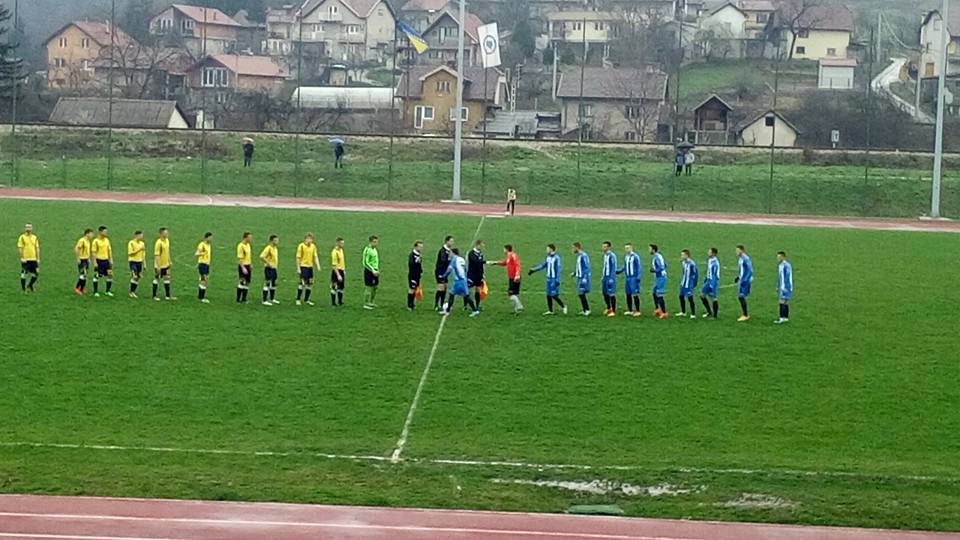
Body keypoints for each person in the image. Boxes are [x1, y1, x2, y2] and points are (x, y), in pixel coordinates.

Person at [440, 248, 480, 317]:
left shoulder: (454, 259)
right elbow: (465, 269)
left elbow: (449, 269)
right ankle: (447, 311)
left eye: (450, 253)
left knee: (464, 296)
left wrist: (443, 276)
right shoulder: (462, 259)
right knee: (452, 295)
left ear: (453, 253)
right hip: (462, 280)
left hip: (459, 281)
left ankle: (475, 310)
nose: (449, 254)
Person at [529, 244, 566, 315]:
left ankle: (563, 306)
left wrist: (557, 280)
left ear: (551, 249)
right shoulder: (548, 257)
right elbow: (543, 265)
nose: (546, 250)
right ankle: (550, 311)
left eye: (547, 249)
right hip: (548, 279)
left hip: (553, 279)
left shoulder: (557, 258)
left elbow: (558, 269)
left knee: (554, 295)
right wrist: (533, 270)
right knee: (548, 294)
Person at [488, 244, 524, 314]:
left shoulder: (513, 255)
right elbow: (504, 263)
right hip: (512, 277)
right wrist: (495, 263)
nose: (503, 250)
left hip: (514, 278)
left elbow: (517, 265)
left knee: (510, 293)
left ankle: (519, 306)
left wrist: (517, 275)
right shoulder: (509, 256)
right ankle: (516, 310)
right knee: (515, 293)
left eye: (504, 249)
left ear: (506, 249)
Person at [296, 234, 321, 306]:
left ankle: (306, 299)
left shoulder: (313, 246)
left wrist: (318, 265)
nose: (310, 240)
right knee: (302, 283)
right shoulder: (301, 246)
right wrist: (298, 268)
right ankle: (298, 299)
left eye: (311, 239)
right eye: (309, 239)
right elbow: (298, 258)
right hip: (303, 267)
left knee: (310, 283)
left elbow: (315, 256)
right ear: (305, 239)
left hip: (310, 267)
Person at [618, 243, 642, 317]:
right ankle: (630, 310)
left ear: (631, 248)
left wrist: (638, 276)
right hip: (627, 277)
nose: (627, 249)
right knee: (628, 294)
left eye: (628, 248)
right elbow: (625, 266)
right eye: (626, 248)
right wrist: (619, 270)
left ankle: (638, 310)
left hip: (633, 278)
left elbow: (639, 267)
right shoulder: (626, 257)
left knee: (635, 294)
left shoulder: (635, 256)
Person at [152, 227, 175, 301]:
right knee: (157, 279)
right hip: (159, 265)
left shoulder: (167, 240)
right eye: (165, 233)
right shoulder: (158, 243)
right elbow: (157, 255)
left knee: (167, 278)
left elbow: (167, 252)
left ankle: (168, 296)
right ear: (161, 234)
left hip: (166, 264)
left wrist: (169, 261)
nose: (167, 234)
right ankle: (154, 296)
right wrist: (158, 266)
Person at [91, 226, 114, 298]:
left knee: (110, 275)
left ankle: (107, 291)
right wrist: (95, 262)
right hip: (99, 261)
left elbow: (109, 250)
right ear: (100, 232)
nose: (106, 233)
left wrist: (111, 259)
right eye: (105, 232)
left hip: (106, 261)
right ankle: (95, 292)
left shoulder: (107, 240)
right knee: (97, 275)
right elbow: (93, 252)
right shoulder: (96, 241)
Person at [16, 223, 39, 293]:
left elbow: (37, 248)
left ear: (32, 228)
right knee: (23, 274)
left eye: (29, 227)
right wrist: (22, 258)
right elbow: (20, 248)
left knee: (36, 274)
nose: (28, 228)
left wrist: (38, 258)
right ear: (25, 228)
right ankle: (23, 289)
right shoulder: (22, 237)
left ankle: (30, 285)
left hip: (33, 259)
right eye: (27, 227)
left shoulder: (35, 237)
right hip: (26, 260)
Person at [434, 236, 454, 311]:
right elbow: (443, 260)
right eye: (451, 241)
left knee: (445, 288)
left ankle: (442, 304)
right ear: (446, 241)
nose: (452, 243)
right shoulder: (443, 250)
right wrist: (450, 259)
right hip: (440, 271)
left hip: (445, 272)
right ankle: (436, 305)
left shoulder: (449, 250)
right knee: (441, 288)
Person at [677, 250, 698, 319]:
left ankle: (693, 314)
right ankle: (683, 312)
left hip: (689, 284)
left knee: (690, 298)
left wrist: (694, 283)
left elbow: (695, 274)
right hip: (683, 283)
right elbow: (684, 272)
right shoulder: (683, 262)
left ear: (687, 255)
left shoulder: (692, 263)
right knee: (681, 296)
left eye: (683, 255)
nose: (681, 256)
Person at [572, 242, 591, 316]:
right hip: (579, 277)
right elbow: (579, 266)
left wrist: (585, 277)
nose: (572, 249)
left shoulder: (583, 255)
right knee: (580, 293)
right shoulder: (579, 255)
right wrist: (574, 273)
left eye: (573, 248)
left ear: (577, 248)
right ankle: (584, 309)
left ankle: (587, 310)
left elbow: (587, 267)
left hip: (583, 277)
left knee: (581, 293)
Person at [700, 247, 720, 319]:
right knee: (702, 295)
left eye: (710, 252)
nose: (708, 253)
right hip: (708, 280)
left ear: (713, 253)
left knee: (713, 297)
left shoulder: (715, 263)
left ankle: (715, 316)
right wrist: (706, 279)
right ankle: (709, 312)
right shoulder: (709, 260)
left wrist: (712, 284)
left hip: (713, 281)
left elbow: (714, 275)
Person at [735, 244, 753, 322]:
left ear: (742, 250)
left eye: (738, 250)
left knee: (741, 296)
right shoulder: (740, 258)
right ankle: (745, 314)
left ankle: (745, 315)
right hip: (741, 279)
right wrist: (738, 277)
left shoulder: (746, 259)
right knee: (740, 296)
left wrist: (745, 280)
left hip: (744, 281)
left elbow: (750, 270)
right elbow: (742, 269)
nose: (736, 252)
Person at [260, 235, 280, 306]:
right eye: (275, 240)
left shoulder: (275, 248)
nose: (277, 242)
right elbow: (262, 256)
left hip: (274, 268)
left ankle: (272, 298)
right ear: (271, 241)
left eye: (277, 240)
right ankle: (264, 300)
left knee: (273, 283)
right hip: (269, 268)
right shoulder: (268, 248)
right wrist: (268, 263)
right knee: (267, 283)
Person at [650, 244, 668, 318]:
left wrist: (654, 270)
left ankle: (664, 312)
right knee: (654, 292)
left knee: (659, 293)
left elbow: (662, 267)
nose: (649, 250)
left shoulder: (657, 257)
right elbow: (665, 264)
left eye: (650, 249)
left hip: (661, 277)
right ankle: (657, 309)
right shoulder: (657, 256)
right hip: (658, 277)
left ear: (653, 250)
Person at [775, 251, 793, 325]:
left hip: (785, 287)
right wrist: (777, 285)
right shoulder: (780, 265)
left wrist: (785, 287)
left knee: (781, 302)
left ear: (783, 257)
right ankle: (786, 317)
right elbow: (780, 276)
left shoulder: (786, 265)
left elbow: (787, 277)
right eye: (777, 257)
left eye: (779, 257)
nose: (778, 258)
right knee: (785, 302)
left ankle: (781, 318)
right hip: (782, 286)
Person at [362, 235, 380, 309]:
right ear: (370, 242)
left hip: (375, 271)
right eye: (374, 242)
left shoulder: (375, 249)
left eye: (376, 242)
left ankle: (371, 302)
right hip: (369, 271)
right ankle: (366, 303)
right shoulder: (367, 250)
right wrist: (372, 270)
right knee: (368, 287)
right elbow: (365, 262)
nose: (376, 243)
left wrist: (377, 269)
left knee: (375, 287)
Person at [600, 241, 618, 317]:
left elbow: (613, 267)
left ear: (608, 247)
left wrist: (612, 278)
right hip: (605, 277)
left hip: (610, 278)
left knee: (611, 293)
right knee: (605, 293)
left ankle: (613, 310)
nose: (603, 248)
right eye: (603, 246)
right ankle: (608, 307)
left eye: (605, 247)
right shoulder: (605, 255)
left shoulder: (612, 256)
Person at [74, 228, 93, 295]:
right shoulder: (82, 240)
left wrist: (88, 258)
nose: (92, 235)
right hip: (82, 260)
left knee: (85, 275)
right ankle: (77, 288)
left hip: (86, 259)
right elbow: (77, 249)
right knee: (83, 274)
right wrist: (78, 258)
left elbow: (87, 251)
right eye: (91, 234)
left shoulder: (88, 241)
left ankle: (81, 289)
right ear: (87, 234)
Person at [467, 240, 485, 310]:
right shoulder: (471, 253)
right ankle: (465, 306)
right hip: (471, 275)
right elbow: (475, 261)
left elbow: (481, 265)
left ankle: (477, 306)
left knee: (478, 290)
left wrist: (482, 274)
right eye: (481, 246)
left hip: (478, 275)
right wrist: (484, 262)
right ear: (477, 245)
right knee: (468, 291)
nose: (482, 247)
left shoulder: (480, 253)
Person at [195, 232, 213, 304]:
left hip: (207, 264)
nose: (211, 239)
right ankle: (202, 297)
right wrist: (202, 253)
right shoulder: (202, 245)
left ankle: (200, 296)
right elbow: (196, 254)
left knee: (203, 279)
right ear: (206, 238)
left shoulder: (209, 245)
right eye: (210, 238)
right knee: (204, 279)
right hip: (202, 264)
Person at [236, 232, 253, 304]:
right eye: (249, 237)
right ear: (245, 237)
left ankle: (244, 299)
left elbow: (248, 256)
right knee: (242, 282)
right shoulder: (241, 246)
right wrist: (243, 267)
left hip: (248, 265)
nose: (251, 239)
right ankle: (238, 299)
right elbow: (239, 258)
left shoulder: (248, 245)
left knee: (247, 282)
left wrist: (250, 264)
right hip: (243, 266)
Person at [128, 231, 145, 298]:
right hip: (133, 262)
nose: (141, 237)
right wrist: (139, 249)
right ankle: (131, 292)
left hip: (139, 262)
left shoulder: (142, 243)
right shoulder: (131, 243)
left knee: (137, 278)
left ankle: (133, 292)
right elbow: (130, 253)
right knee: (134, 276)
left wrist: (144, 264)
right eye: (140, 236)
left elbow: (143, 254)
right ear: (136, 236)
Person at [407, 240, 424, 311]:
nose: (420, 248)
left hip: (417, 275)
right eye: (419, 247)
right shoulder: (412, 255)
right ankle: (409, 305)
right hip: (412, 275)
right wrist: (416, 261)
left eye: (421, 247)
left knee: (416, 289)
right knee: (412, 289)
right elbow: (411, 264)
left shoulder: (419, 255)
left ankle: (413, 303)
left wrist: (420, 271)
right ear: (415, 247)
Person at [330, 237, 345, 307]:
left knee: (341, 287)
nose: (343, 244)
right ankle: (333, 302)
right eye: (341, 243)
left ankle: (340, 301)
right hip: (336, 271)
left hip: (341, 270)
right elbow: (334, 265)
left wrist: (343, 270)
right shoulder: (334, 252)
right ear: (337, 243)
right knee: (334, 287)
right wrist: (338, 275)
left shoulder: (341, 250)